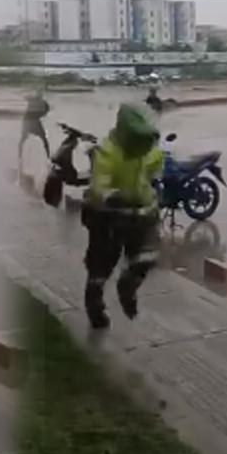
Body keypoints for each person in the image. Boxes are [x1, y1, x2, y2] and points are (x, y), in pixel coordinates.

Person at [82, 102, 164, 329]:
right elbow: (100, 185)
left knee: (147, 256)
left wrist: (155, 189)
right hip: (110, 217)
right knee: (100, 267)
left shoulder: (151, 150)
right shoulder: (108, 152)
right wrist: (110, 196)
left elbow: (155, 172)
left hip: (141, 212)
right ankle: (95, 307)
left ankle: (128, 285)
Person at [18, 89, 51, 163]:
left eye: (40, 95)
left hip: (32, 121)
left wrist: (42, 114)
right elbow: (24, 97)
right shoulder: (33, 99)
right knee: (23, 139)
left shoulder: (40, 102)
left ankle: (48, 157)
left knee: (43, 138)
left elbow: (47, 109)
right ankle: (19, 157)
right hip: (29, 121)